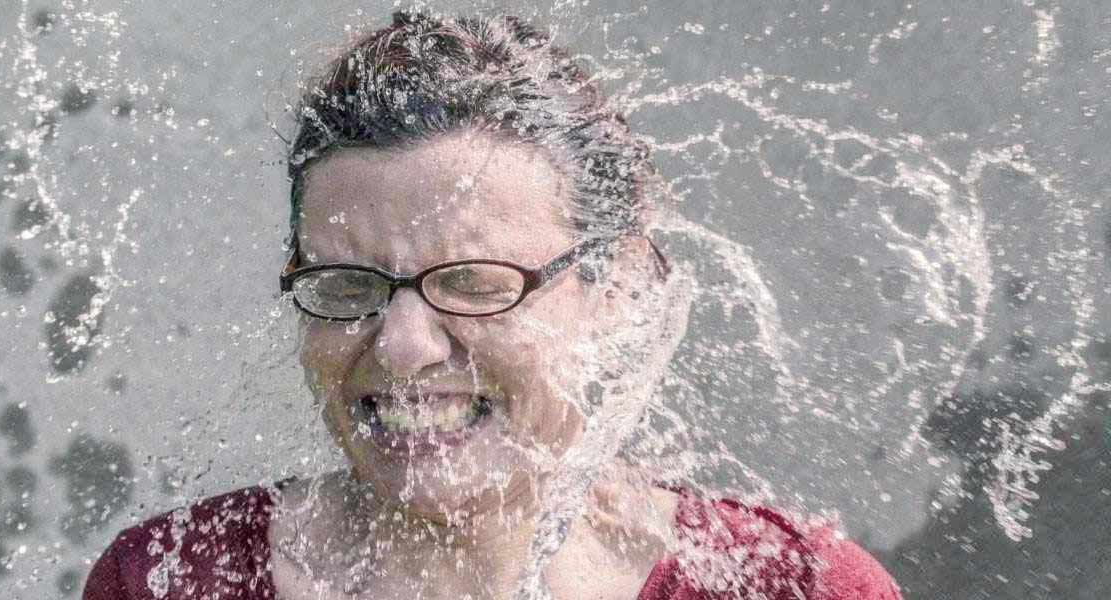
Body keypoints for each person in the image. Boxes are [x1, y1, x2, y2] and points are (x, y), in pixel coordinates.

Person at [83, 12, 901, 600]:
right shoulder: (169, 580)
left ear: (615, 287)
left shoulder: (798, 587)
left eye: (474, 282)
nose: (402, 346)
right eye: (346, 287)